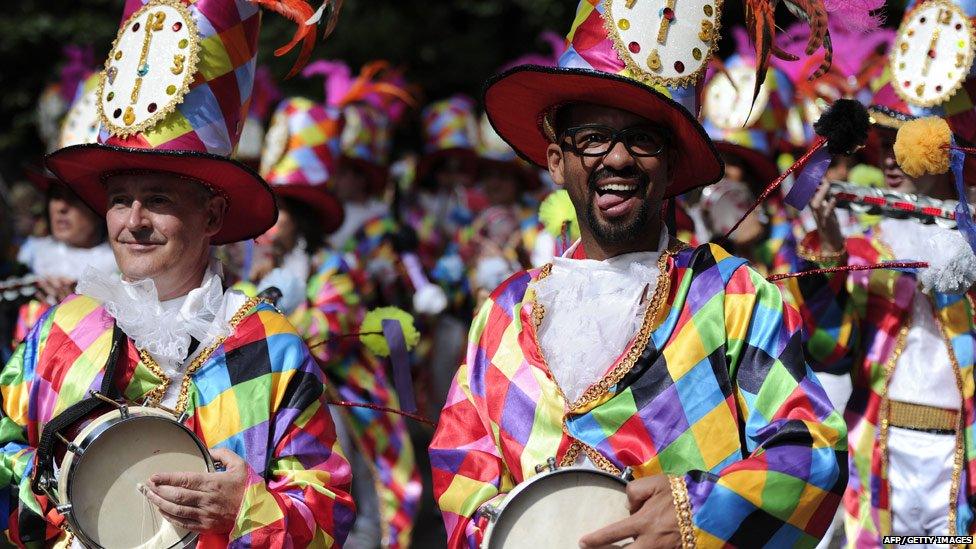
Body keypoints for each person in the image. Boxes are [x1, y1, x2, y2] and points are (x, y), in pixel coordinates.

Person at [429, 1, 847, 547]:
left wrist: (702, 515)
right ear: (557, 161)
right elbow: (462, 467)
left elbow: (812, 453)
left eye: (644, 139)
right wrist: (513, 530)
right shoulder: (503, 315)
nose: (619, 159)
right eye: (594, 137)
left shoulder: (734, 298)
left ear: (672, 163)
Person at [0, 0, 355, 545]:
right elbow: (5, 447)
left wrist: (246, 507)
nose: (134, 222)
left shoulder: (270, 348)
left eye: (158, 199)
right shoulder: (60, 330)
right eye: (120, 200)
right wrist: (55, 483)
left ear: (211, 215)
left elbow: (328, 508)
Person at [782, 71, 976, 543]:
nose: (889, 159)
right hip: (877, 453)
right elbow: (830, 352)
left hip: (963, 458)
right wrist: (828, 257)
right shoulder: (866, 245)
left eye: (904, 142)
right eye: (883, 143)